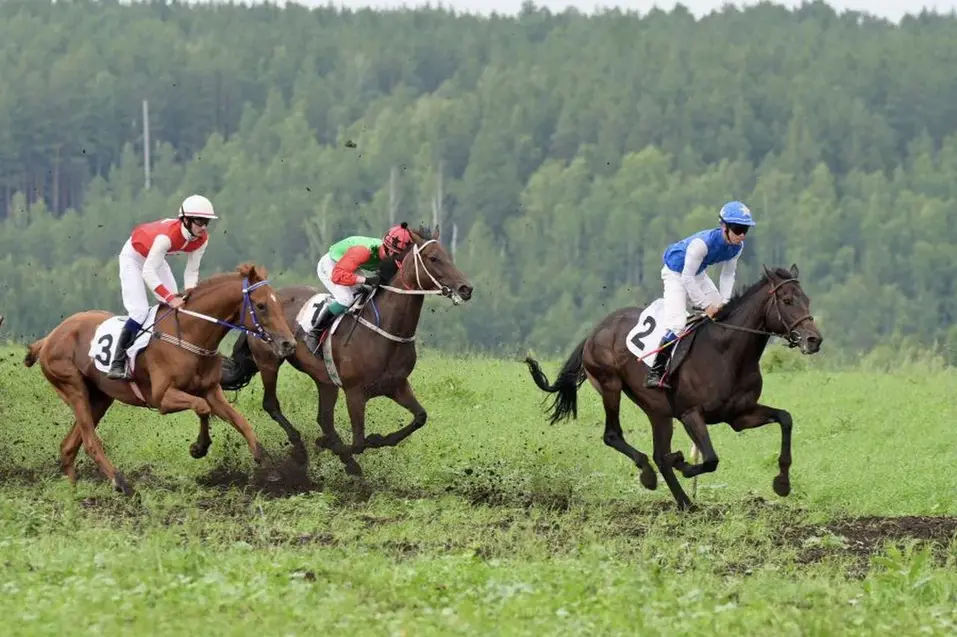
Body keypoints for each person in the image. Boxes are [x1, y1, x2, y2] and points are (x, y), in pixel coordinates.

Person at [644, 200, 756, 389]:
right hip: (676, 274)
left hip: (697, 274)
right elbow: (687, 279)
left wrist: (725, 302)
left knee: (726, 315)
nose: (742, 235)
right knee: (678, 324)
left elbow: (728, 274)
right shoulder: (701, 245)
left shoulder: (737, 247)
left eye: (746, 229)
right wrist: (707, 306)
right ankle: (656, 371)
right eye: (738, 229)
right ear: (724, 226)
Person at [106, 195, 217, 380]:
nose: (204, 227)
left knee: (175, 306)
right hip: (133, 258)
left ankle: (168, 353)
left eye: (207, 222)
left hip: (155, 258)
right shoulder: (166, 238)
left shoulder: (202, 239)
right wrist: (170, 298)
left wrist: (190, 293)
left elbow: (191, 272)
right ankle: (117, 362)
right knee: (140, 312)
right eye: (200, 221)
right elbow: (148, 272)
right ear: (186, 220)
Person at [303, 223, 414, 353]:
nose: (398, 260)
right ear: (389, 250)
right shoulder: (363, 251)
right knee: (346, 299)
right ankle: (314, 333)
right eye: (397, 255)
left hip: (353, 266)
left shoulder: (392, 254)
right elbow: (337, 276)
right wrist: (366, 280)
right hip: (332, 266)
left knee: (368, 292)